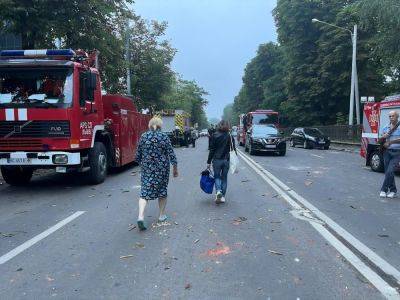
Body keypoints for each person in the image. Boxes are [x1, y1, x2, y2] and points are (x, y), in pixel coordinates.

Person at [135, 117, 178, 230]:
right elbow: (171, 153)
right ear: (160, 126)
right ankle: (161, 215)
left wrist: (143, 163)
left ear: (149, 125)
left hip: (147, 169)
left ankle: (140, 216)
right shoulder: (164, 136)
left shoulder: (144, 136)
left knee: (144, 193)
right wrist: (175, 168)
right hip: (162, 169)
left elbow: (138, 156)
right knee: (162, 190)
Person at [207, 120, 236, 204]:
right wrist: (234, 159)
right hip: (226, 160)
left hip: (216, 160)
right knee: (224, 178)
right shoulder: (229, 135)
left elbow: (212, 150)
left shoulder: (214, 135)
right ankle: (222, 196)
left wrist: (208, 162)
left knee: (217, 177)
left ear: (219, 125)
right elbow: (233, 148)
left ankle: (218, 191)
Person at [380, 110, 400, 198]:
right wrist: (383, 138)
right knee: (388, 172)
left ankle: (383, 189)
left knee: (390, 171)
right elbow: (381, 141)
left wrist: (391, 142)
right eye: (390, 116)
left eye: (393, 116)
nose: (391, 118)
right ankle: (393, 190)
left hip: (397, 153)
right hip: (387, 152)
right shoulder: (385, 127)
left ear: (397, 117)